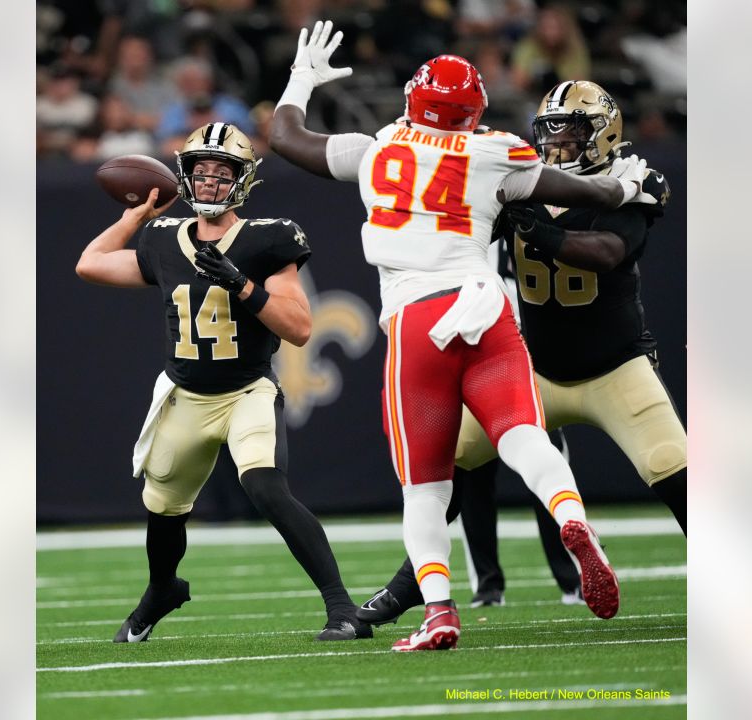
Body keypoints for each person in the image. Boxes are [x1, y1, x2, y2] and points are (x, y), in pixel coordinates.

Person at [269, 22, 659, 651]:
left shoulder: (379, 148)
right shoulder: (494, 151)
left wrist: (302, 78)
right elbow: (582, 188)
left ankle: (441, 612)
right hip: (486, 305)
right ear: (473, 113)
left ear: (412, 101)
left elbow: (286, 138)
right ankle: (573, 520)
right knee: (525, 437)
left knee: (426, 485)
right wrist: (626, 188)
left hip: (417, 317)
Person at [358, 80, 687, 622]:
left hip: (615, 367)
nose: (558, 143)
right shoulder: (520, 179)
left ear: (603, 135)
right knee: (448, 465)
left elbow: (608, 251)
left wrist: (543, 235)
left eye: (572, 131)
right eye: (550, 131)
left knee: (674, 471)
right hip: (537, 367)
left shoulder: (627, 180)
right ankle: (406, 588)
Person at [74, 122, 372, 642]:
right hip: (185, 395)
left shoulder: (266, 237)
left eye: (222, 172)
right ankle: (161, 591)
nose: (210, 182)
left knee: (264, 485)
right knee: (162, 509)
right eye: (200, 172)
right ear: (184, 177)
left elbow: (300, 329)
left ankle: (342, 607)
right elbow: (90, 264)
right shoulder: (164, 239)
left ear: (244, 179)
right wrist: (133, 217)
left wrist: (241, 283)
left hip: (245, 390)